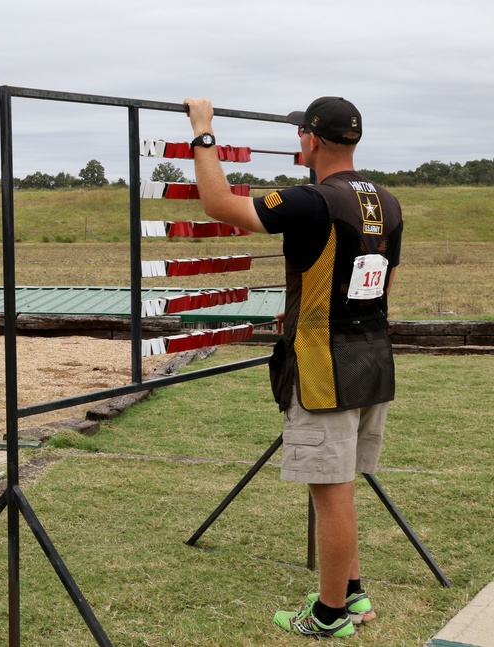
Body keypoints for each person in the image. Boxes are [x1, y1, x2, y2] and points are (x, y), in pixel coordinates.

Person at [183, 97, 403, 638]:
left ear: (308, 139)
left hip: (323, 365)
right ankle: (353, 598)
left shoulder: (311, 200)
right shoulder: (388, 201)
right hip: (371, 356)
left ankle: (327, 616)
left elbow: (219, 204)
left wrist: (203, 132)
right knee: (341, 487)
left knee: (332, 493)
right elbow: (383, 286)